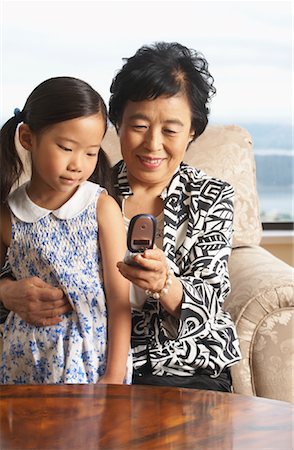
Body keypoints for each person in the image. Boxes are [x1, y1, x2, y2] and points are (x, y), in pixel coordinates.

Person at [0, 42, 241, 391]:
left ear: (192, 132)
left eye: (171, 130)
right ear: (117, 124)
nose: (153, 144)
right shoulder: (82, 189)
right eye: (139, 125)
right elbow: (18, 260)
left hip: (183, 368)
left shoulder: (210, 196)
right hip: (79, 361)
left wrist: (165, 284)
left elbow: (211, 300)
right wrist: (8, 292)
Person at [0, 76, 132, 384]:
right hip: (25, 360)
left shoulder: (101, 208)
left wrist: (114, 375)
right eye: (66, 148)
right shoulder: (8, 214)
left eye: (90, 152)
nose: (78, 164)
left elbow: (119, 298)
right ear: (28, 138)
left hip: (91, 359)